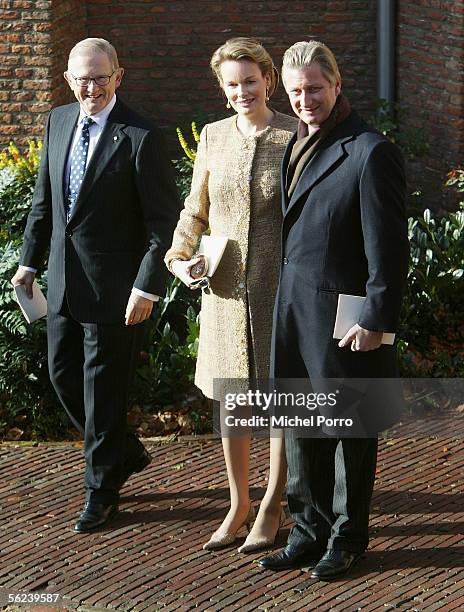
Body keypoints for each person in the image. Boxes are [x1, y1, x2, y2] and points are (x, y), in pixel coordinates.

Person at [11, 38, 180, 532]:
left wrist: (146, 289)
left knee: (104, 392)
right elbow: (46, 201)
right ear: (68, 80)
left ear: (118, 76)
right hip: (64, 284)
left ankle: (101, 491)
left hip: (117, 291)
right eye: (82, 79)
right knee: (64, 377)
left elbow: (161, 224)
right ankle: (121, 451)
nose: (91, 87)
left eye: (100, 78)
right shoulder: (58, 121)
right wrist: (29, 263)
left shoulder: (142, 135)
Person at [259, 41, 409, 579]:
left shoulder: (370, 152)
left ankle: (347, 538)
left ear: (337, 84)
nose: (305, 100)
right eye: (296, 91)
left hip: (347, 321)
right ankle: (308, 529)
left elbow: (388, 250)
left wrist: (376, 319)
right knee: (302, 427)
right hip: (296, 314)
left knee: (349, 433)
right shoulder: (293, 142)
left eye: (315, 89)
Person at [165, 37, 298, 552]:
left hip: (279, 288)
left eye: (250, 80)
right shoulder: (213, 137)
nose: (243, 90)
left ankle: (272, 504)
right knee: (233, 402)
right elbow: (195, 210)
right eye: (232, 83)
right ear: (222, 90)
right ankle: (239, 501)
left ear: (268, 79)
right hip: (221, 292)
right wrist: (179, 259)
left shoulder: (295, 134)